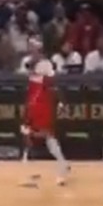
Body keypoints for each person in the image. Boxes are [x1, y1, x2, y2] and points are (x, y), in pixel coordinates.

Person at [20, 55, 69, 187]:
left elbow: (56, 90)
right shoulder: (34, 80)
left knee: (44, 136)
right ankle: (30, 169)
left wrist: (61, 103)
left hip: (43, 110)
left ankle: (61, 165)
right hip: (34, 109)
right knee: (29, 135)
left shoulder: (46, 81)